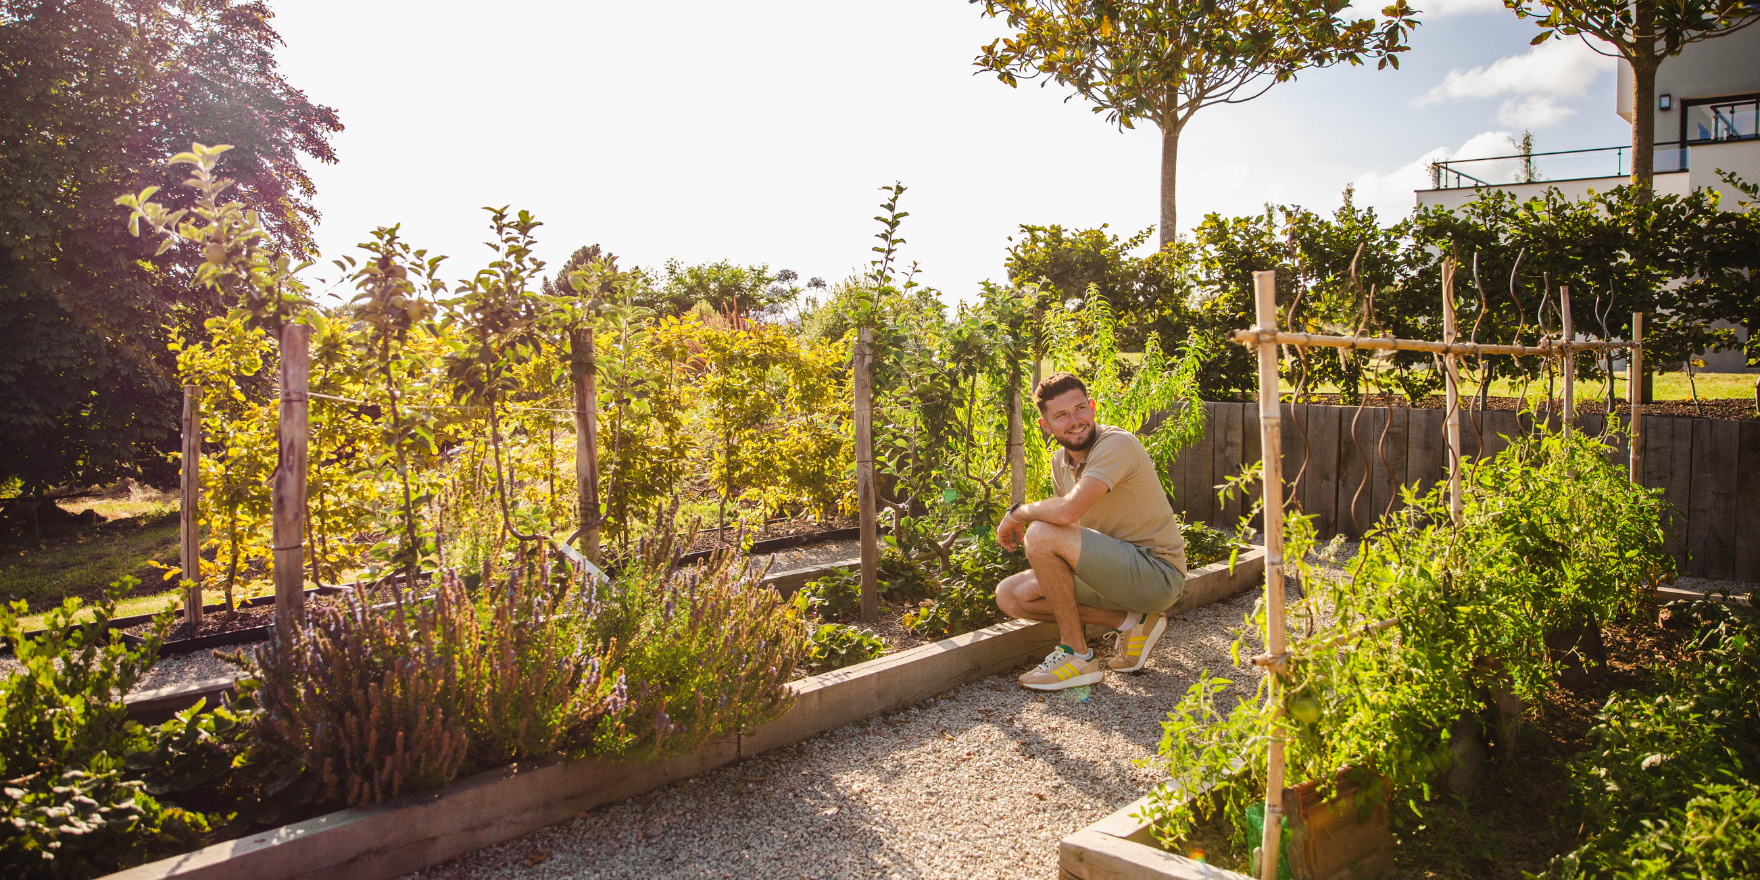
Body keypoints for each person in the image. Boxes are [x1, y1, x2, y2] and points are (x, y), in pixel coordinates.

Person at [995, 372, 1188, 690]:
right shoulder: (1060, 462)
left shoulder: (1116, 444)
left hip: (1156, 575)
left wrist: (1017, 513)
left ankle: (1076, 656)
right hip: (1110, 574)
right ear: (1046, 425)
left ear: (1093, 407)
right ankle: (1132, 622)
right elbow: (1068, 531)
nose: (1075, 421)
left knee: (1039, 533)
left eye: (1080, 408)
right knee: (1011, 596)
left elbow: (1066, 511)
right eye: (1061, 415)